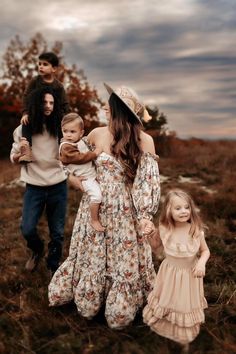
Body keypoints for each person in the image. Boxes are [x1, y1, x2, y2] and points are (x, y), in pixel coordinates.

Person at [48, 83, 161, 329]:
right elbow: (69, 163)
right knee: (94, 255)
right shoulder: (96, 134)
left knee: (119, 305)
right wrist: (80, 184)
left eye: (109, 104)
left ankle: (122, 297)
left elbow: (147, 183)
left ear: (119, 109)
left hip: (126, 214)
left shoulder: (144, 140)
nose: (103, 107)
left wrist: (144, 215)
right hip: (96, 207)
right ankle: (91, 295)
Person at [143, 189, 210, 350]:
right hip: (169, 273)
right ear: (169, 210)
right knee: (167, 300)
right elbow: (156, 247)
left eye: (186, 207)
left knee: (183, 304)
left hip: (189, 276)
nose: (184, 211)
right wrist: (150, 236)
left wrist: (201, 263)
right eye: (178, 208)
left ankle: (183, 337)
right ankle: (163, 328)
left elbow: (205, 251)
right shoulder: (165, 228)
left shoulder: (195, 230)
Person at [10, 87, 68, 274]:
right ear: (36, 104)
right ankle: (37, 250)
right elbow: (13, 157)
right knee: (27, 228)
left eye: (52, 103)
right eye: (44, 102)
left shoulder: (59, 128)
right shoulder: (22, 130)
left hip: (58, 186)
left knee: (57, 232)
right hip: (34, 187)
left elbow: (75, 146)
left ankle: (53, 264)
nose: (49, 106)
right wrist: (21, 153)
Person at [19, 51, 70, 163]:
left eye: (45, 64)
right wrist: (25, 112)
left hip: (53, 115)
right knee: (26, 122)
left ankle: (63, 150)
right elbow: (26, 97)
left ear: (54, 69)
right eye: (40, 64)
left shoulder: (58, 86)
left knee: (62, 122)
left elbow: (64, 103)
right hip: (37, 114)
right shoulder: (35, 81)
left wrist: (67, 118)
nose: (41, 66)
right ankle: (26, 150)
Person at [60, 112, 104, 232]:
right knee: (96, 196)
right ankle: (94, 220)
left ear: (81, 132)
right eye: (65, 131)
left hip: (92, 175)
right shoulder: (66, 147)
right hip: (85, 178)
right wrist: (94, 154)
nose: (68, 135)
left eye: (72, 132)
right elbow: (79, 158)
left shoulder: (81, 141)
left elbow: (85, 145)